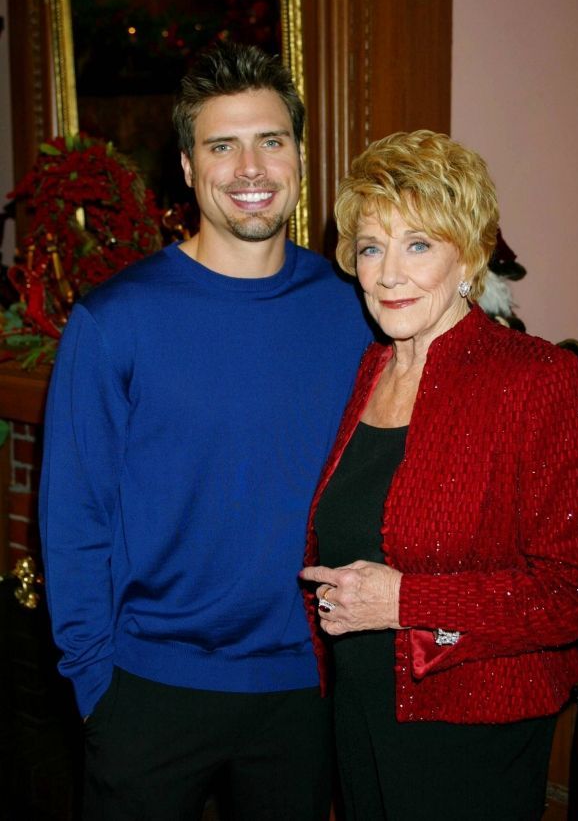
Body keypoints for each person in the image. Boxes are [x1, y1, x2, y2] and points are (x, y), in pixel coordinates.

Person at [39, 42, 372, 820]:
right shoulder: (114, 320)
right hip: (148, 688)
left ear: (299, 155)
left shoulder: (353, 309)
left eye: (271, 140)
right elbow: (73, 520)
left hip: (303, 686)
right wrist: (96, 686)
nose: (250, 167)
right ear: (188, 168)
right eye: (222, 146)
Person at [301, 130, 578, 820]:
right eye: (372, 248)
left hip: (473, 731)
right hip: (361, 709)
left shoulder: (536, 378)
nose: (389, 273)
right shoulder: (372, 368)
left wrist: (409, 603)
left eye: (419, 244)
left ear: (466, 254)